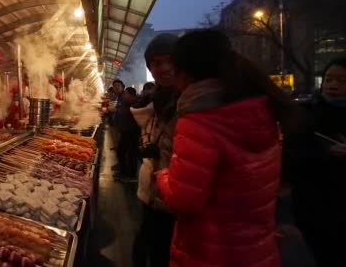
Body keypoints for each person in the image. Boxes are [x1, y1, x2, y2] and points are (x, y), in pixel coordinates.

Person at [155, 29, 295, 267]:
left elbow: (184, 200)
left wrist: (162, 175)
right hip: (258, 249)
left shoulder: (199, 120)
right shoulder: (260, 109)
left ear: (183, 73)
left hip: (211, 251)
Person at [284, 57, 346, 266]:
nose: (333, 85)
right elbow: (290, 159)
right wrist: (327, 154)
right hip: (317, 209)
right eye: (329, 79)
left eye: (341, 80)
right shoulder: (306, 114)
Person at [130, 33, 180, 267]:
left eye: (170, 61)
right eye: (157, 63)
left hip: (177, 201)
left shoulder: (190, 102)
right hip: (153, 194)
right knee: (149, 248)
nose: (164, 68)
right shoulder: (154, 104)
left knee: (165, 254)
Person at [115, 86, 140, 182]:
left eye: (126, 93)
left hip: (132, 133)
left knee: (131, 154)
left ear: (131, 95)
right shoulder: (125, 103)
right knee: (121, 152)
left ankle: (131, 176)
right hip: (125, 131)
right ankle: (123, 172)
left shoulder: (136, 104)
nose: (124, 95)